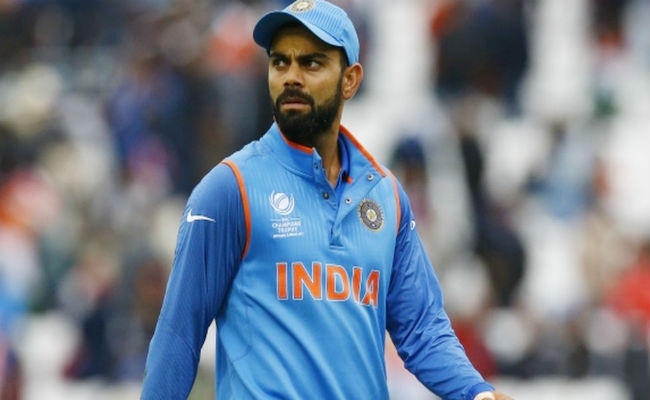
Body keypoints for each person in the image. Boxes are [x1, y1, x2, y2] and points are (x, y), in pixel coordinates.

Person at [141, 1, 512, 399]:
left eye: (311, 63)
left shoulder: (385, 195)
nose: (291, 77)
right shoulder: (229, 189)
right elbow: (178, 336)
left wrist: (477, 393)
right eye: (280, 62)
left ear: (350, 80)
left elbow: (422, 329)